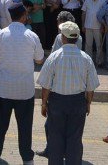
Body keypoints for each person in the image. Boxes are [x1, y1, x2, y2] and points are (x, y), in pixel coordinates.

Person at [0, 3, 44, 164]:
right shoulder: (31, 35)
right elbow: (39, 59)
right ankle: (27, 159)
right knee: (25, 127)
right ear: (24, 16)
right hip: (25, 90)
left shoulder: (0, 35)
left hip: (4, 89)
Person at [38, 21, 100, 165]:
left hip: (57, 102)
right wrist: (88, 103)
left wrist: (43, 103)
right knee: (75, 139)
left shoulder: (54, 57)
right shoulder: (86, 58)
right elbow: (91, 87)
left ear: (62, 38)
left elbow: (45, 86)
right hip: (78, 102)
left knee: (56, 138)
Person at [81, 0, 104, 68]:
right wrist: (83, 25)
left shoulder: (102, 1)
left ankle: (99, 62)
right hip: (88, 26)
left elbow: (104, 15)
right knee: (88, 45)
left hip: (98, 26)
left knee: (99, 45)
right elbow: (83, 14)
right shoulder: (87, 1)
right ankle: (88, 62)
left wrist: (102, 26)